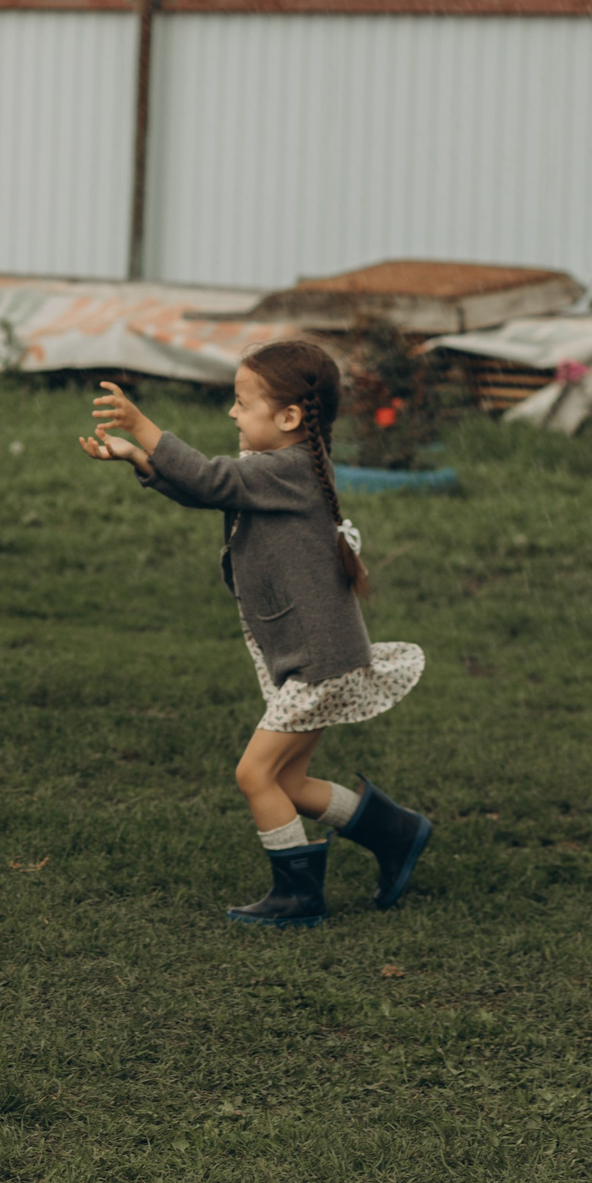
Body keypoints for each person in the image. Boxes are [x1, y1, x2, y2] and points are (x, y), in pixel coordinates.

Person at [80, 340, 432, 927]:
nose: (232, 413)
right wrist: (140, 459)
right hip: (317, 655)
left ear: (289, 417)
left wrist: (142, 426)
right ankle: (395, 832)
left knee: (255, 775)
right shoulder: (284, 467)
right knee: (286, 780)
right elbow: (210, 489)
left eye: (243, 403)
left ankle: (298, 898)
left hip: (319, 660)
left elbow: (210, 479)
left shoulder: (290, 469)